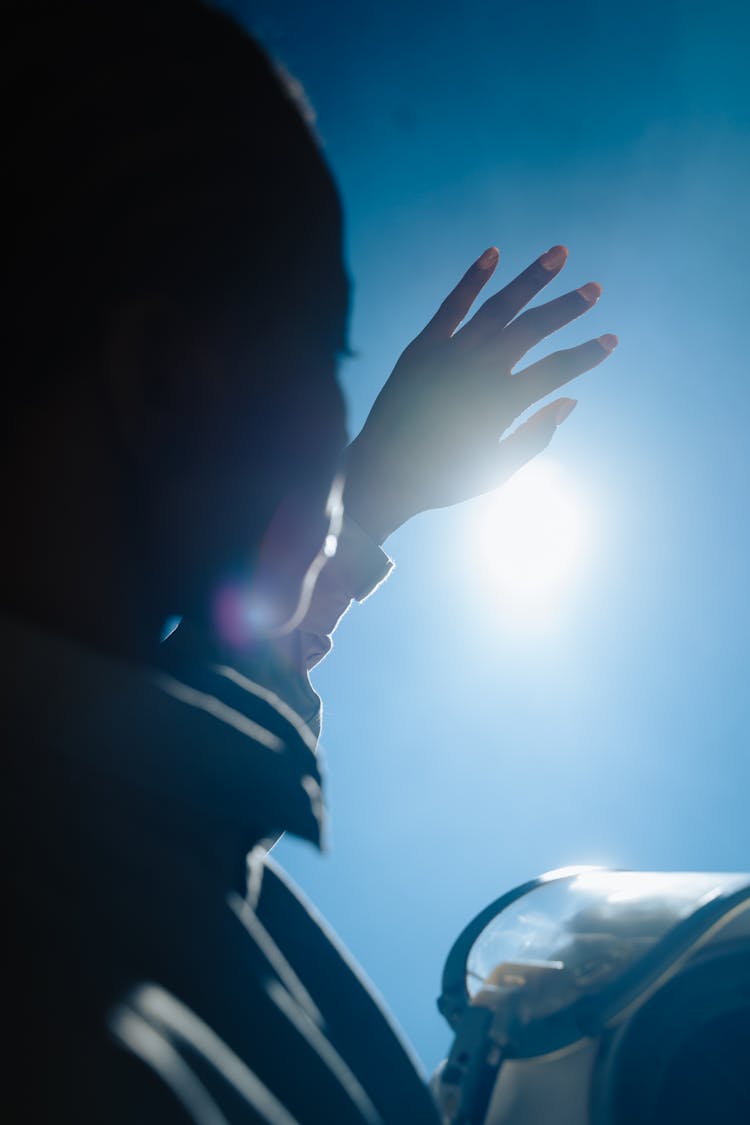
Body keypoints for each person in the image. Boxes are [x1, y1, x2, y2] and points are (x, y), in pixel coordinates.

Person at [2, 1, 617, 1120]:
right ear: (162, 376)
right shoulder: (84, 1015)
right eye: (326, 349)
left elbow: (204, 699)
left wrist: (371, 496)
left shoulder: (121, 811)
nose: (344, 425)